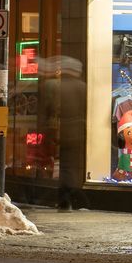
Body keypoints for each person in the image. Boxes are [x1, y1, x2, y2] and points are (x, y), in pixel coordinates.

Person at [55, 67, 86, 211]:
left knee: (66, 167)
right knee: (71, 167)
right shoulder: (81, 86)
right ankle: (72, 197)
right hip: (77, 133)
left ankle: (66, 199)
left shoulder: (60, 86)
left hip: (65, 133)